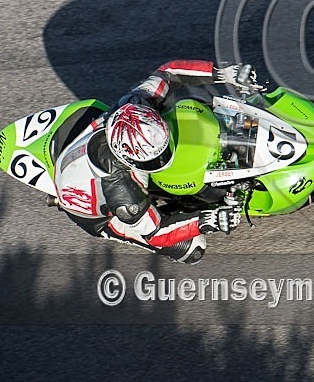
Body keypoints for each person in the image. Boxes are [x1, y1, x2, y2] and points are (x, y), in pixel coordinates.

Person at [53, 60, 256, 264]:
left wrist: (224, 73)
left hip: (95, 146)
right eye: (152, 160)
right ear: (127, 157)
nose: (162, 159)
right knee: (191, 249)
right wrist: (206, 220)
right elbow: (156, 232)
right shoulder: (121, 193)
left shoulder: (138, 103)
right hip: (103, 215)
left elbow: (169, 72)